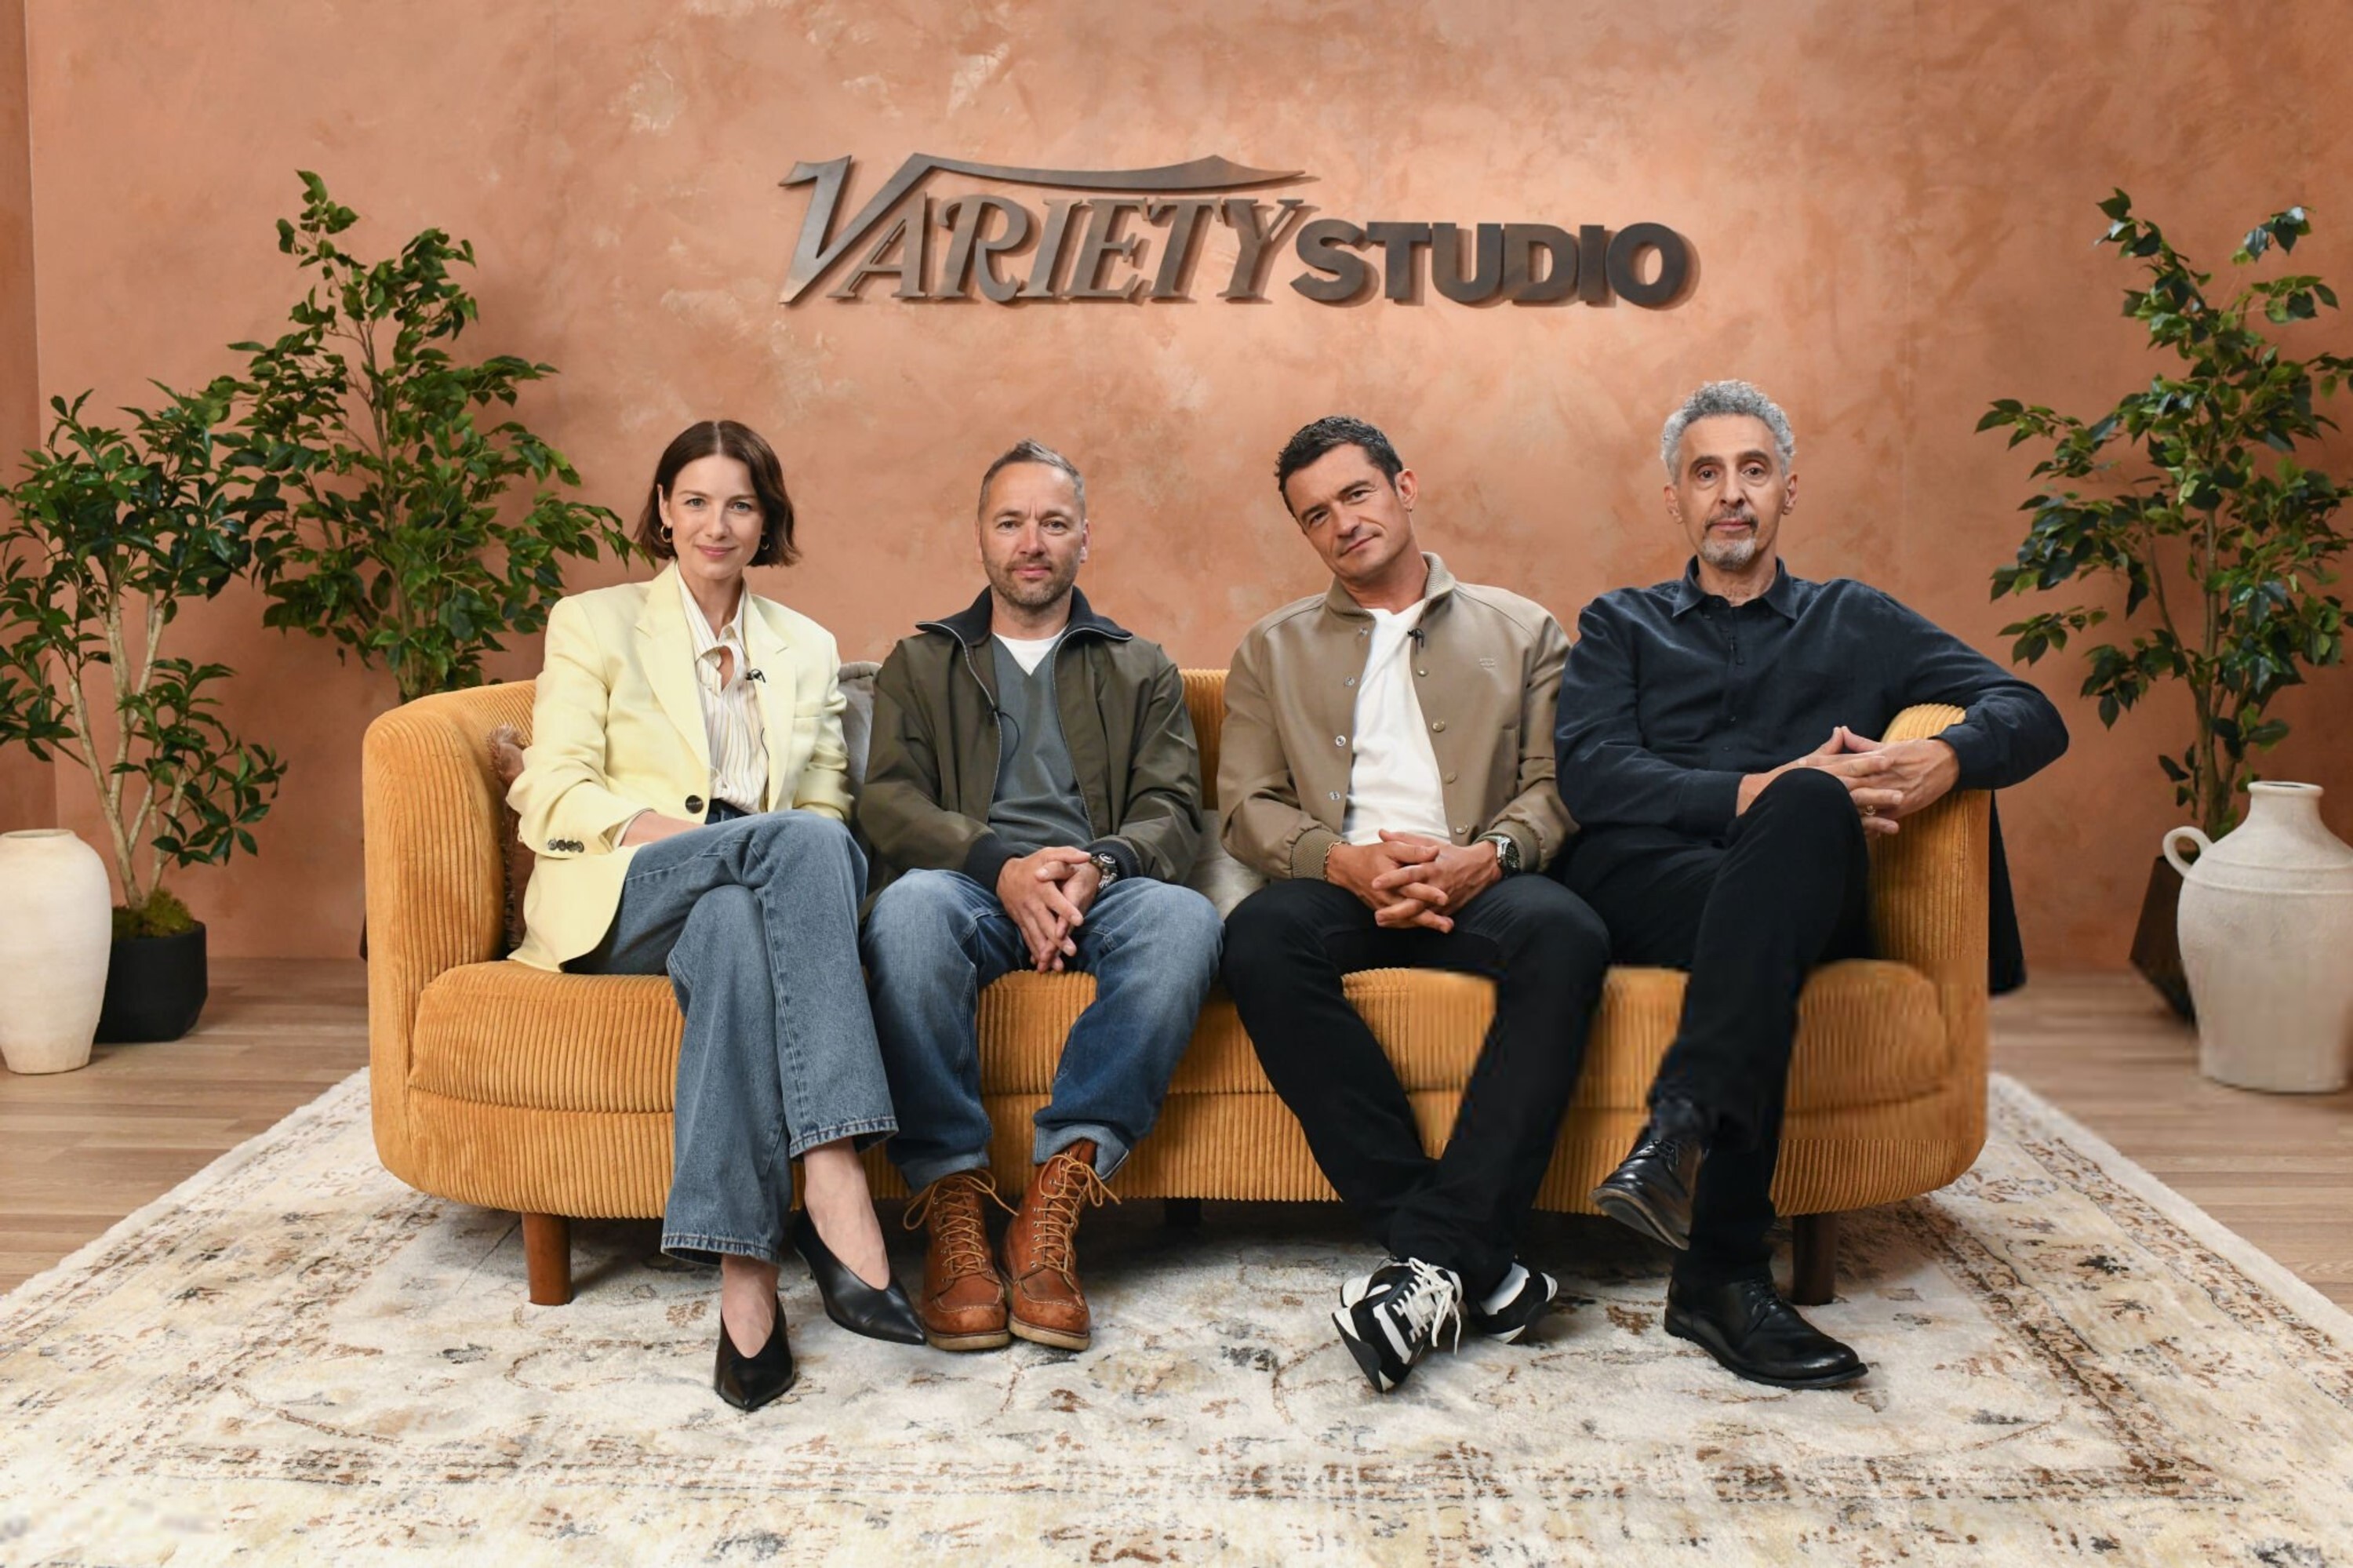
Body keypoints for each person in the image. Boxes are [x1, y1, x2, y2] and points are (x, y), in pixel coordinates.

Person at [1559, 380, 2068, 1390]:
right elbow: (1592, 773)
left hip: (1802, 889)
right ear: (1675, 499)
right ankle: (1719, 1273)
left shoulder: (1857, 620)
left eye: (1754, 470)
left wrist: (1948, 757)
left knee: (1805, 812)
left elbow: (2030, 710)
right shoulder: (1621, 623)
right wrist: (1759, 786)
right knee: (1795, 802)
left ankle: (1683, 1135)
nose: (1731, 493)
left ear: (1789, 489)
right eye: (1707, 473)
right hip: (1648, 884)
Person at [508, 420, 921, 1413]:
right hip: (627, 886)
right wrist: (669, 832)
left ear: (767, 520)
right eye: (695, 501)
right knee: (790, 849)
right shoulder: (594, 622)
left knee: (747, 912)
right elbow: (552, 788)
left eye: (740, 504)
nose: (716, 525)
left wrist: (758, 850)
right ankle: (833, 1170)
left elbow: (822, 805)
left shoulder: (805, 646)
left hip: (746, 894)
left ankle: (747, 1281)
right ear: (662, 509)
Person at [1218, 415, 1613, 1394]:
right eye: (1316, 515)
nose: (1342, 522)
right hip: (1346, 888)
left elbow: (1558, 785)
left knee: (1568, 932)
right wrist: (1342, 862)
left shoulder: (1525, 630)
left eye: (1356, 493)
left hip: (1484, 879)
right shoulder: (1271, 648)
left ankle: (1430, 1256)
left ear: (1404, 487)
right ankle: (1468, 1257)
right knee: (1258, 937)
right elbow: (1247, 805)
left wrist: (1487, 857)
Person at [857, 439, 1223, 1354]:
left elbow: (1172, 808)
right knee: (906, 915)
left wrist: (1098, 864)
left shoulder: (1142, 667)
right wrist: (1000, 868)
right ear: (981, 536)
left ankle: (1054, 1200)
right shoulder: (921, 662)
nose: (1032, 542)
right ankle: (953, 1204)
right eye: (1011, 522)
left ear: (1084, 540)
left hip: (1102, 888)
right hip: (971, 887)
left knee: (1186, 921)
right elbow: (890, 801)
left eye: (1054, 523)